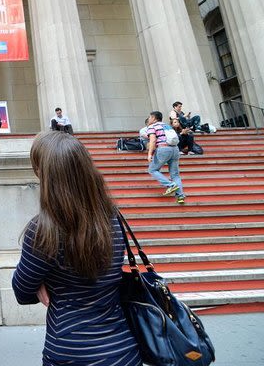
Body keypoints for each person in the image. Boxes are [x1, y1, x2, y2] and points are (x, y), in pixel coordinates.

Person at [12, 131, 142, 366]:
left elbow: (22, 293)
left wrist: (42, 281)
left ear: (43, 174)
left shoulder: (43, 230)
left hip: (70, 351)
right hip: (124, 350)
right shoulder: (111, 217)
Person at [147, 111, 185, 204]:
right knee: (175, 174)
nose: (149, 119)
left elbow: (153, 140)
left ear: (154, 118)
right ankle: (180, 196)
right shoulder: (167, 126)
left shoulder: (152, 126)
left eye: (150, 117)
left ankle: (170, 185)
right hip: (175, 149)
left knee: (152, 170)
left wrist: (149, 154)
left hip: (163, 149)